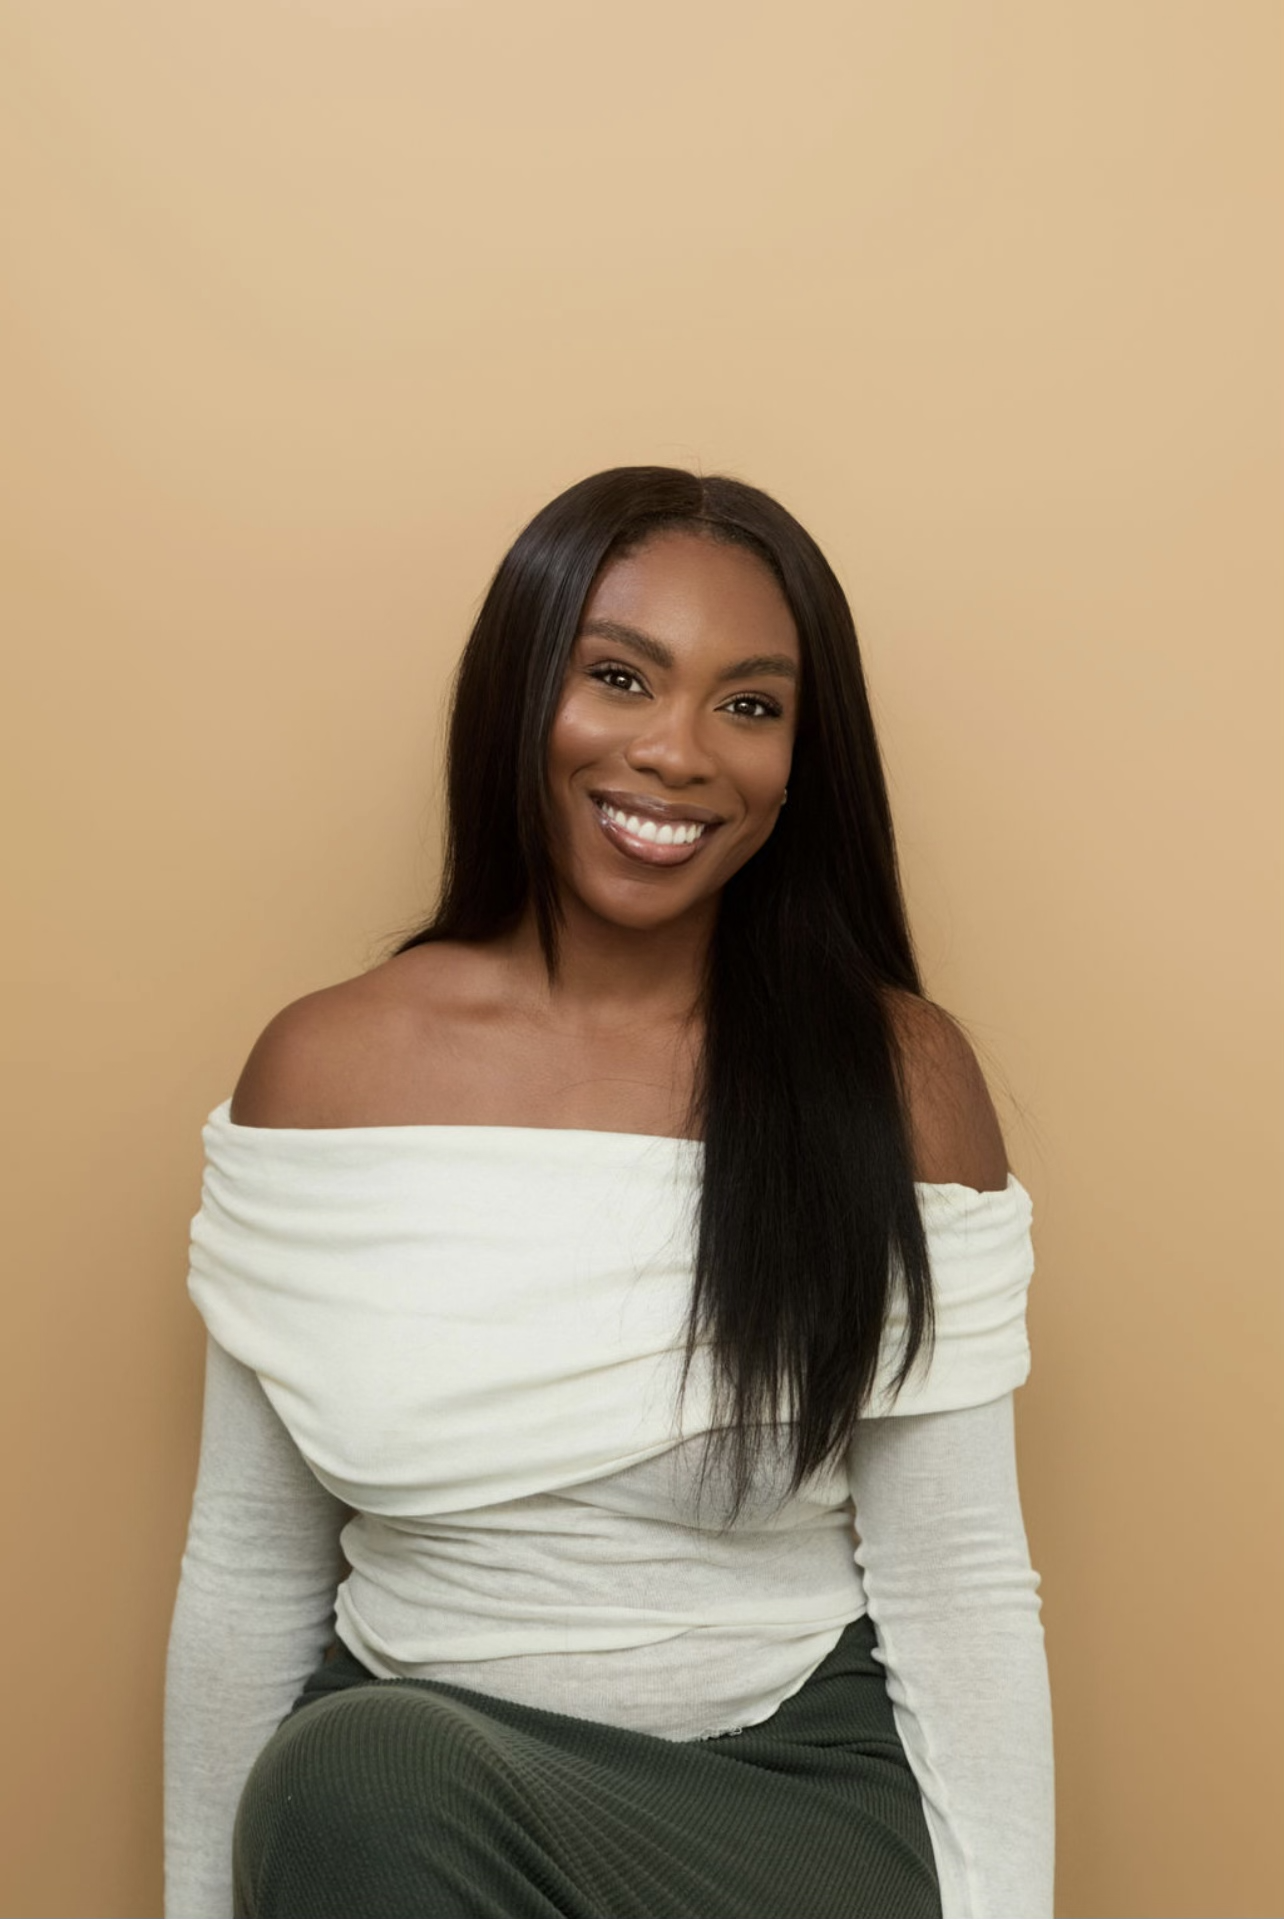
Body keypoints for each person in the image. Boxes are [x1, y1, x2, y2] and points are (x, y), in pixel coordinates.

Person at [164, 466, 1054, 1919]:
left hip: (782, 1805)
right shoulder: (323, 1072)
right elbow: (249, 1574)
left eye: (749, 705)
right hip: (409, 1806)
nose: (677, 751)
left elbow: (957, 1579)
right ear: (521, 694)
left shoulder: (890, 1078)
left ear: (801, 761)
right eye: (621, 677)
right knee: (364, 1776)